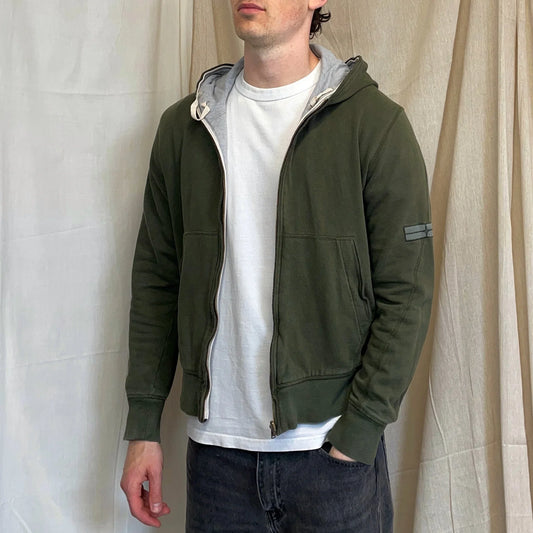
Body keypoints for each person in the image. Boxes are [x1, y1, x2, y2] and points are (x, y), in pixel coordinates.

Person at [120, 0, 434, 531]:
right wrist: (143, 426)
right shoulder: (185, 128)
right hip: (216, 462)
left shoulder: (374, 125)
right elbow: (157, 281)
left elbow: (407, 292)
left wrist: (359, 431)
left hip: (332, 458)